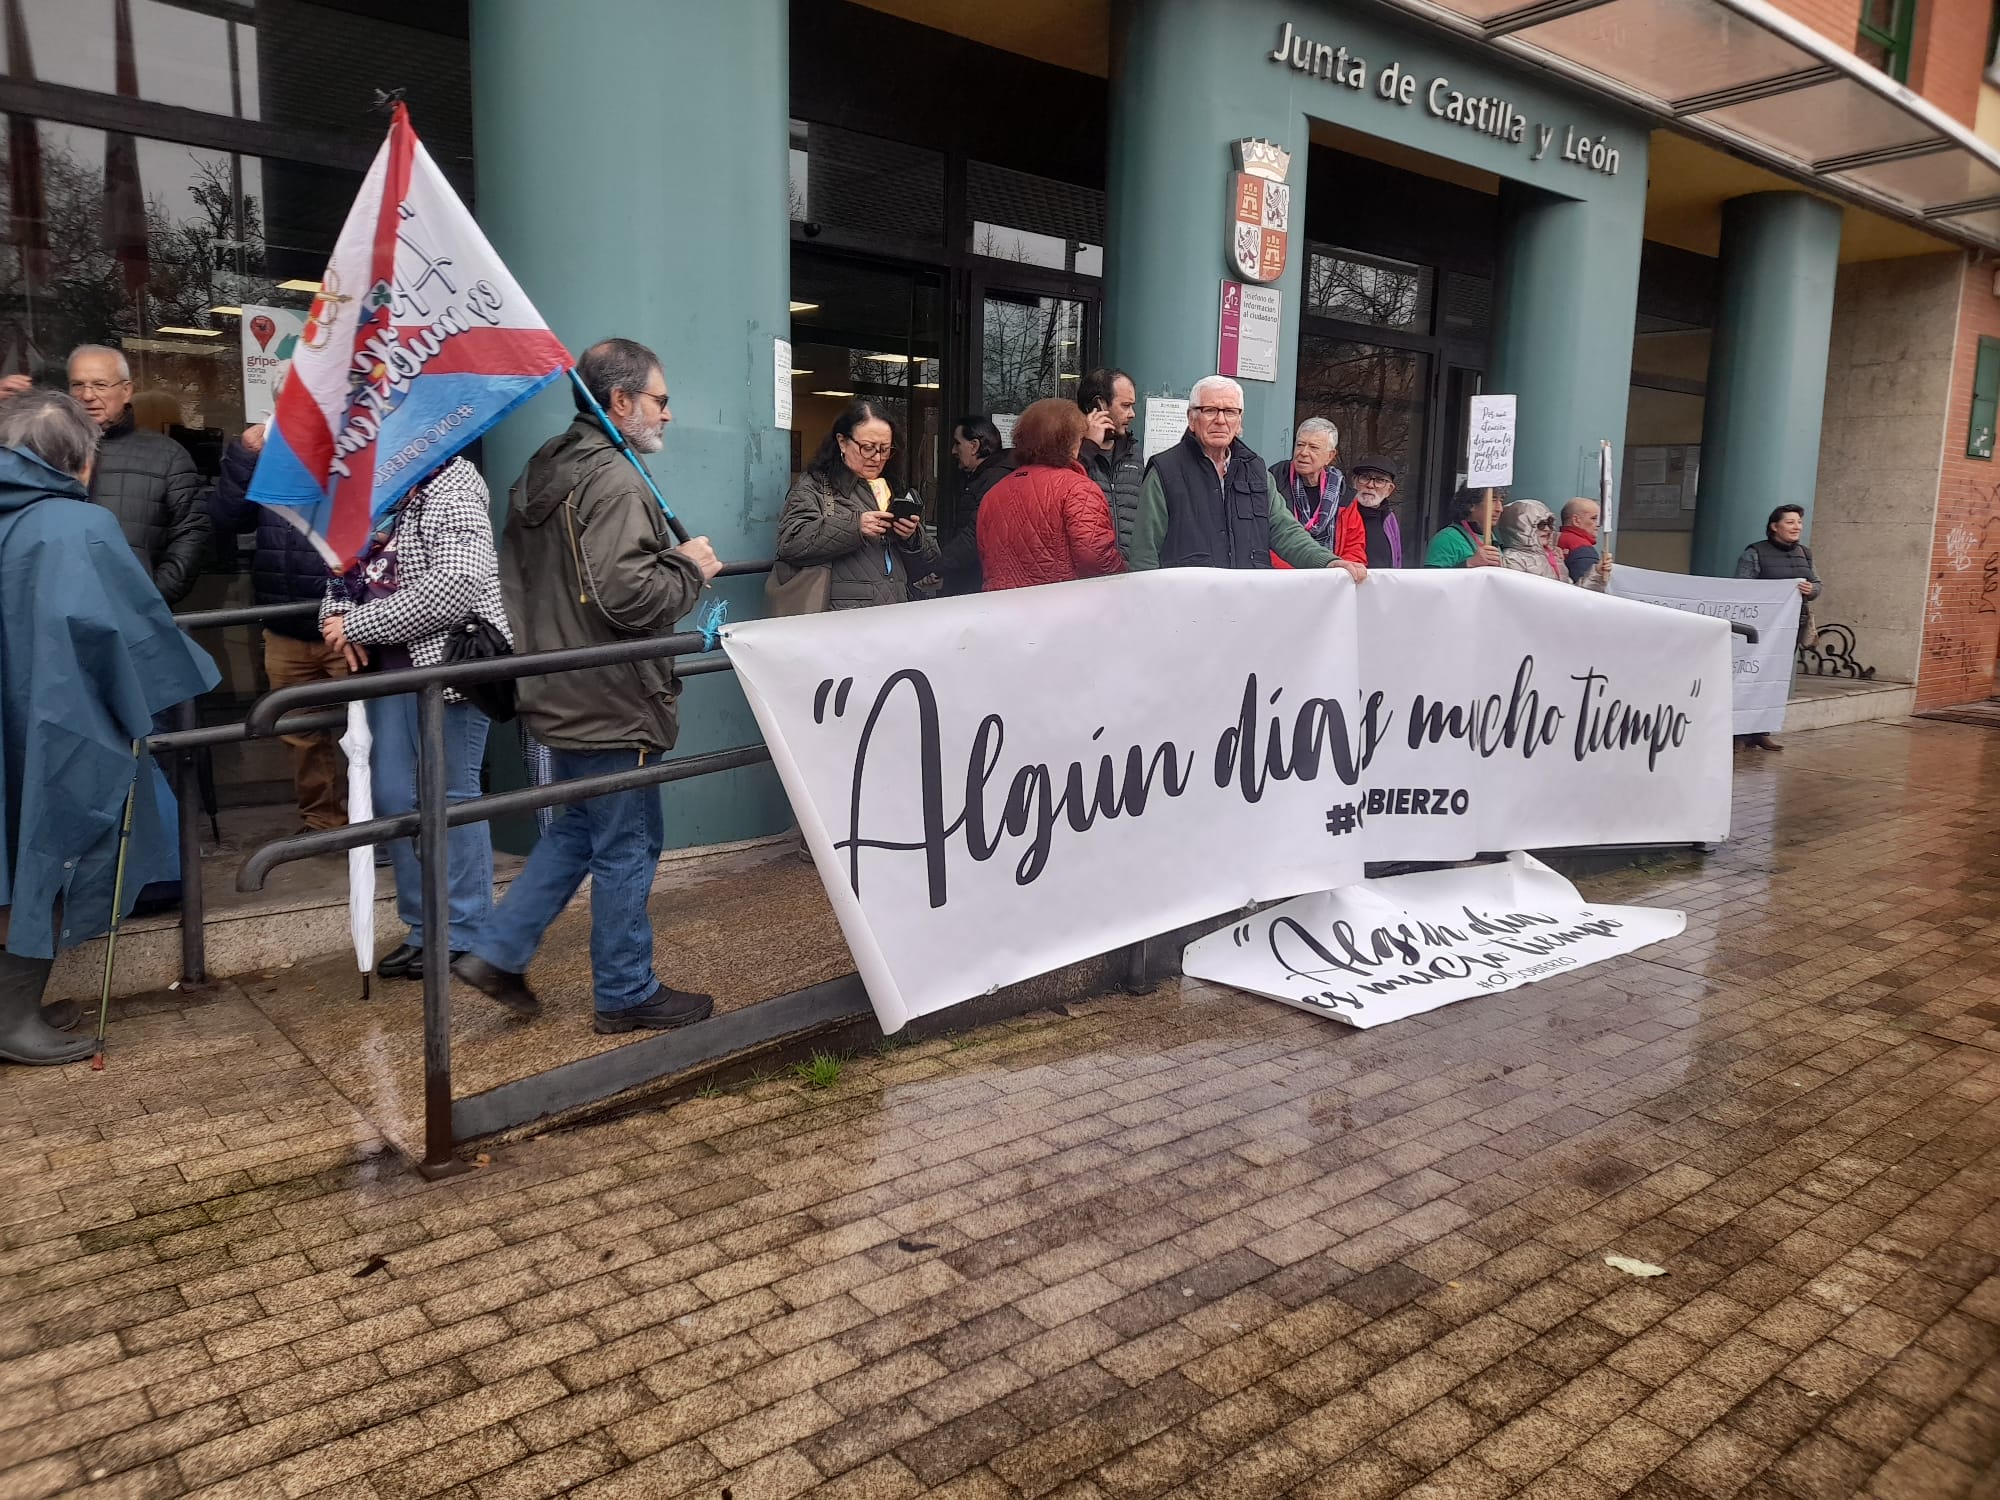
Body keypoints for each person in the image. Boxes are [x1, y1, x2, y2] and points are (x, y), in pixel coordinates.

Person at [451, 338, 725, 1033]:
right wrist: (689, 567)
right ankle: (627, 990)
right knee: (627, 844)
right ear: (622, 402)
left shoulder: (548, 466)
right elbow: (625, 594)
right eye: (659, 400)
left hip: (560, 688)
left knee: (574, 830)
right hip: (612, 696)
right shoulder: (615, 479)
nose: (668, 413)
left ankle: (497, 951)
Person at [0, 391, 217, 1064]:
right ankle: (11, 1018)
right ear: (81, 463)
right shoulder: (78, 528)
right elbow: (139, 641)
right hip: (59, 723)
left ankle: (12, 1007)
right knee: (48, 848)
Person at [320, 456, 509, 980]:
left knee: (449, 796)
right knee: (395, 800)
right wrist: (335, 622)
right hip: (386, 674)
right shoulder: (366, 487)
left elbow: (456, 585)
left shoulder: (453, 478)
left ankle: (466, 930)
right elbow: (336, 571)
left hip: (449, 668)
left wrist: (359, 623)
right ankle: (425, 928)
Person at [210, 414, 348, 835]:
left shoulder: (360, 449)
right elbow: (228, 518)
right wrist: (243, 455)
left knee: (374, 732)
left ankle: (379, 825)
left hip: (347, 625)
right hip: (285, 625)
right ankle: (323, 823)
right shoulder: (269, 455)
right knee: (300, 735)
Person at [1129, 376, 1365, 580]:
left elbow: (1285, 531)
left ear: (1239, 422)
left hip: (1248, 609)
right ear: (1192, 418)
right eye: (1210, 410)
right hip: (1187, 609)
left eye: (1230, 411)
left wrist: (1328, 562)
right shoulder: (1165, 470)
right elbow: (1145, 552)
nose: (1220, 420)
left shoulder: (1258, 471)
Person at [64, 345, 209, 606]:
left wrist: (152, 597)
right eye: (77, 385)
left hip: (137, 617)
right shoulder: (45, 452)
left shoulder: (166, 455)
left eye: (100, 384)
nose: (87, 395)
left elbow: (191, 532)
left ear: (126, 390)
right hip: (57, 614)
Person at [776, 399, 939, 609]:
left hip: (895, 613)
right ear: (842, 442)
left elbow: (931, 564)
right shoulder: (815, 485)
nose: (877, 458)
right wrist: (855, 527)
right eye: (868, 448)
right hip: (842, 618)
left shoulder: (895, 489)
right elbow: (790, 542)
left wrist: (912, 538)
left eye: (885, 449)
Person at [976, 397, 1126, 591]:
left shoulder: (993, 493)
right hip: (1059, 610)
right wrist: (1124, 579)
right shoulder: (1078, 489)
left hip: (1001, 611)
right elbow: (1095, 558)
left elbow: (986, 557)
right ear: (1071, 442)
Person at [1733, 503, 1822, 752]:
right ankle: (1737, 732)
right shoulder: (1754, 553)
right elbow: (1742, 588)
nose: (1797, 527)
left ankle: (1760, 731)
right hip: (1760, 628)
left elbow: (1817, 584)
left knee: (1774, 679)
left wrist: (1811, 590)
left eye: (1799, 523)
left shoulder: (1805, 553)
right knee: (1750, 677)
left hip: (1792, 625)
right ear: (1775, 526)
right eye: (1790, 522)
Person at [933, 415, 1011, 595]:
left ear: (975, 446)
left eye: (957, 443)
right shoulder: (981, 477)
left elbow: (974, 535)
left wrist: (938, 565)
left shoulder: (994, 481)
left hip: (976, 583)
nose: (953, 451)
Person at [1270, 417, 1361, 567]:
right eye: (1300, 445)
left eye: (1313, 447)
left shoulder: (1344, 495)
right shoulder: (1273, 483)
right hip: (1284, 581)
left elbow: (1355, 547)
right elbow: (1269, 538)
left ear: (1330, 456)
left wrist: (1338, 573)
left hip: (1331, 580)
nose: (1303, 452)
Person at [1076, 368, 1144, 560]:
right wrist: (1087, 449)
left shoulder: (1133, 453)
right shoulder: (1072, 452)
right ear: (1099, 405)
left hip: (1129, 574)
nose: (1132, 414)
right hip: (1087, 576)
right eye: (1125, 405)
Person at [1495, 498, 1609, 589]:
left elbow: (1573, 596)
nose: (1547, 529)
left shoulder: (1553, 555)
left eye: (1549, 523)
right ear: (1521, 527)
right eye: (1540, 524)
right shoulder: (1513, 559)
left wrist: (1597, 574)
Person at [1425, 486, 1507, 568]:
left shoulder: (1490, 537)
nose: (1499, 509)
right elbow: (1430, 578)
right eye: (1493, 500)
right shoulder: (1447, 539)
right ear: (1471, 505)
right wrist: (1469, 563)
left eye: (1501, 501)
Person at [1345, 458, 1405, 570]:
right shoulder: (1342, 514)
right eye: (1364, 477)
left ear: (1389, 490)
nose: (1370, 485)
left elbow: (1397, 560)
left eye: (1380, 480)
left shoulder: (1390, 519)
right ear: (1354, 482)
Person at [1558, 498, 1605, 583]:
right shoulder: (1583, 549)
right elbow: (1590, 589)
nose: (1598, 525)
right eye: (1594, 518)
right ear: (1576, 520)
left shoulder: (1551, 541)